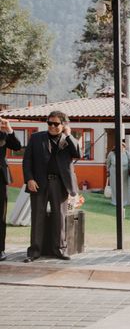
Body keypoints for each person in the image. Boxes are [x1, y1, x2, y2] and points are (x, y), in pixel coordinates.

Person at [23, 111, 81, 262]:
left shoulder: (68, 140)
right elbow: (27, 160)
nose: (52, 126)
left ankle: (59, 250)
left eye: (56, 124)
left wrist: (68, 135)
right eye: (50, 123)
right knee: (37, 217)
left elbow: (78, 154)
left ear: (63, 125)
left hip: (59, 184)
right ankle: (34, 251)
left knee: (59, 217)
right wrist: (29, 179)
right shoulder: (36, 138)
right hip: (38, 183)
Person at [0, 118, 22, 261]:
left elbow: (17, 146)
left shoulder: (3, 133)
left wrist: (9, 129)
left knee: (0, 215)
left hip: (0, 178)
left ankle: (0, 249)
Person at [106, 141, 130, 206]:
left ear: (124, 147)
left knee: (125, 186)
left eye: (123, 146)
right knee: (115, 186)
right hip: (114, 172)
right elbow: (108, 163)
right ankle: (115, 201)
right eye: (120, 146)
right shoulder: (111, 153)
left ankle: (125, 201)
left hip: (125, 172)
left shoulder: (127, 153)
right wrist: (107, 171)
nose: (121, 147)